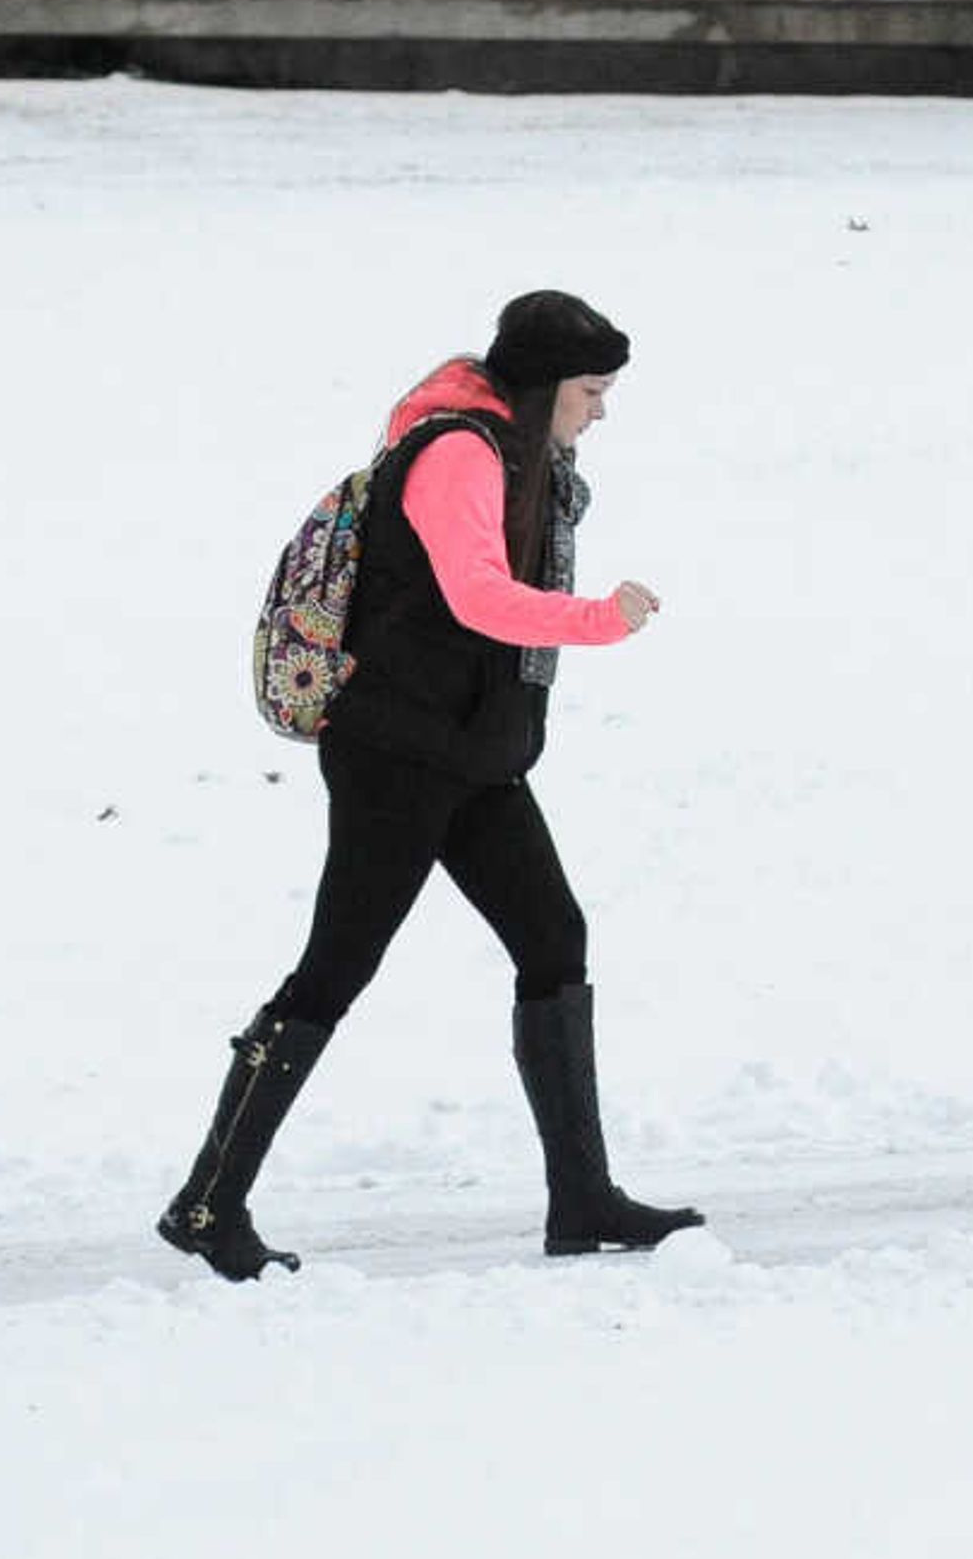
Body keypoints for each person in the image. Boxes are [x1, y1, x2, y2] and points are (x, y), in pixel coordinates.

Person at [158, 287, 704, 1280]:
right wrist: (598, 618)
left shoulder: (526, 453)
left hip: (474, 753)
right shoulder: (458, 452)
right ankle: (207, 1205)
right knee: (335, 968)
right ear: (542, 386)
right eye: (591, 390)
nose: (601, 410)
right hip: (396, 754)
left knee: (553, 936)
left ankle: (581, 1200)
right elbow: (478, 597)